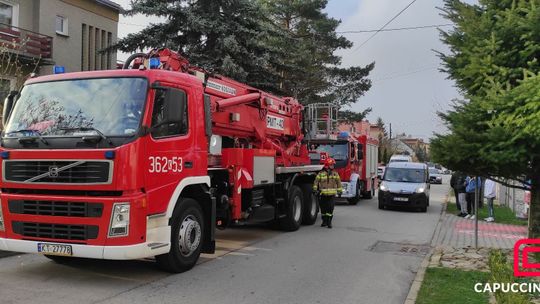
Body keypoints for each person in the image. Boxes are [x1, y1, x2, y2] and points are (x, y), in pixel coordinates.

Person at [313, 158, 342, 229]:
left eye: (333, 165)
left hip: (331, 195)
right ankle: (324, 221)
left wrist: (339, 191)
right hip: (323, 195)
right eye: (331, 165)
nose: (333, 166)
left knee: (330, 208)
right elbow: (316, 182)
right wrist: (315, 190)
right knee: (323, 209)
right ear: (327, 165)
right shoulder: (320, 174)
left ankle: (329, 222)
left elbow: (339, 183)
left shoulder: (335, 173)